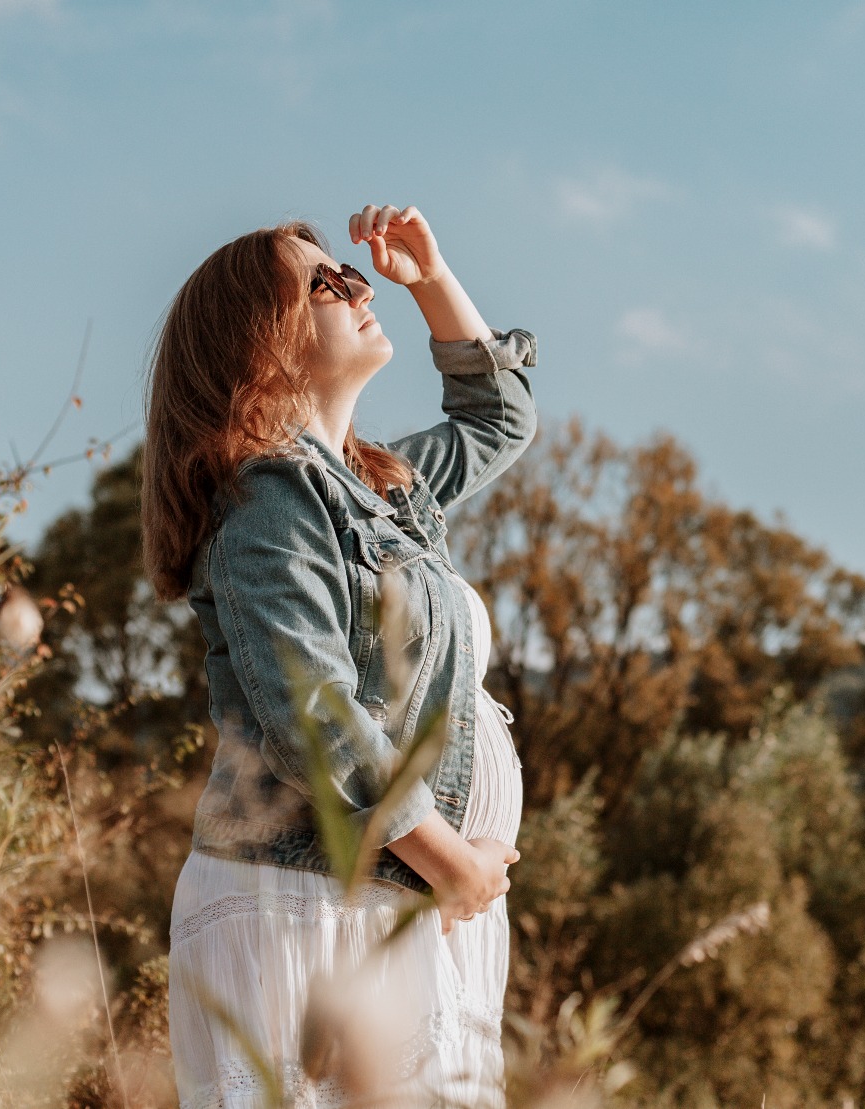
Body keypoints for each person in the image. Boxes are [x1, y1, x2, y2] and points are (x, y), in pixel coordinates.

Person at [141, 205, 535, 1108]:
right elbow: (307, 704)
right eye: (327, 281)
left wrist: (430, 276)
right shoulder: (271, 495)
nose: (357, 286)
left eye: (351, 275)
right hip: (312, 904)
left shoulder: (382, 483)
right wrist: (451, 861)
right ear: (260, 342)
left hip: (393, 902)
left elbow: (500, 416)